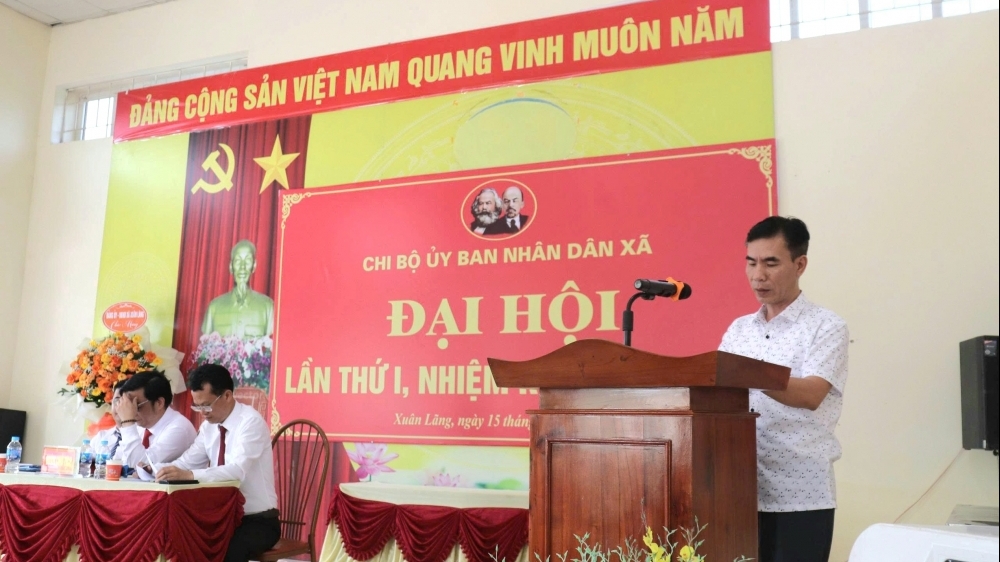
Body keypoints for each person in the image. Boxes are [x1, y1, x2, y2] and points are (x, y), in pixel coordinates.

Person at [718, 216, 849, 562]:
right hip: (738, 491)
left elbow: (811, 394)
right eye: (751, 262)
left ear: (800, 264)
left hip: (800, 494)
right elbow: (718, 395)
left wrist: (748, 371)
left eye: (771, 263)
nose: (758, 275)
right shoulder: (739, 330)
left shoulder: (826, 326)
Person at [157, 364, 279, 562]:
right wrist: (157, 470)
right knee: (182, 538)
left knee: (225, 551)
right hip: (220, 517)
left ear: (227, 396)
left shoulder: (251, 423)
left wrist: (189, 475)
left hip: (257, 520)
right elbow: (187, 462)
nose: (202, 413)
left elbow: (237, 471)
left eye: (206, 405)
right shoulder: (209, 427)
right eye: (197, 406)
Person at [115, 370, 197, 470]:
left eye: (136, 405)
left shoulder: (179, 428)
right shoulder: (140, 425)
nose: (132, 411)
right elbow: (117, 461)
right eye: (128, 405)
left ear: (159, 403)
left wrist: (127, 422)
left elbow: (139, 465)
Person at [201, 239, 274, 338]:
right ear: (231, 267)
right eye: (238, 261)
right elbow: (205, 345)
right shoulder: (214, 307)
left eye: (247, 260)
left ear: (254, 266)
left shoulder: (268, 306)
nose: (242, 267)